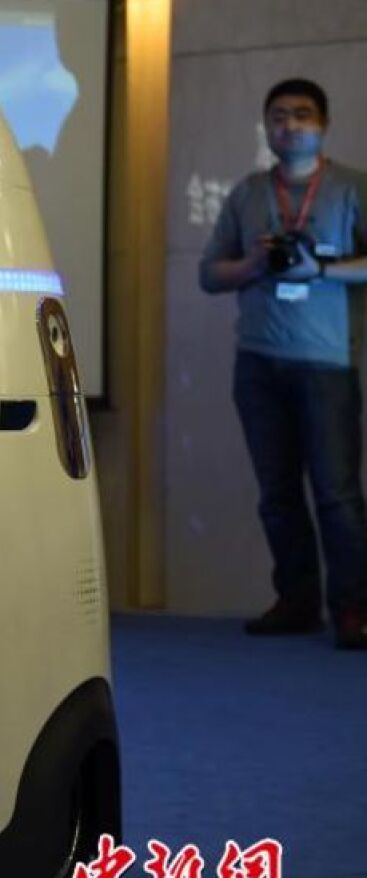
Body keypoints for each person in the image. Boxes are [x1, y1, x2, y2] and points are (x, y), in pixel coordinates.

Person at [198, 77, 367, 651]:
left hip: (327, 362)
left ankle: (354, 610)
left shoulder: (351, 188)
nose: (288, 125)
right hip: (258, 363)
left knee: (337, 493)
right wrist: (252, 265)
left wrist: (320, 271)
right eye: (277, 116)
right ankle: (297, 602)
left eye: (301, 114)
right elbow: (208, 274)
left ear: (323, 124)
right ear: (265, 127)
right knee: (276, 493)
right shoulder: (247, 193)